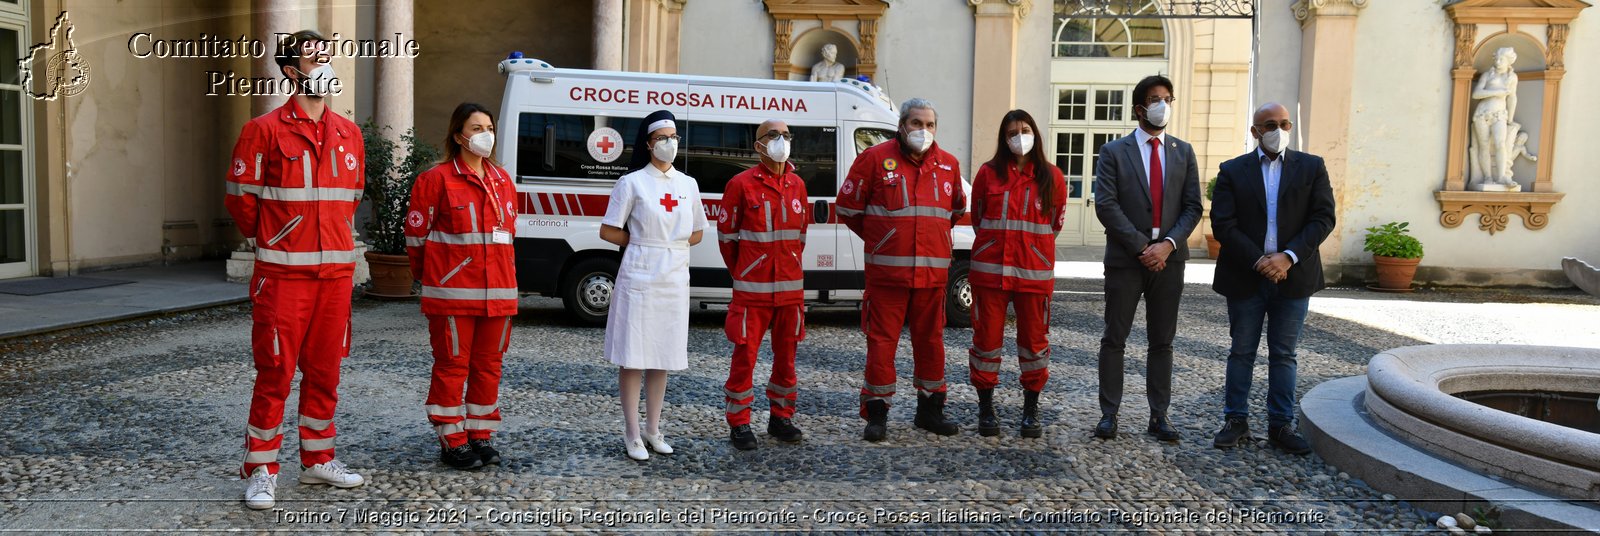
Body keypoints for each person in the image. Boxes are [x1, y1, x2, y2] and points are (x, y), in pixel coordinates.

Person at [224, 29, 366, 510]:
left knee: (325, 371)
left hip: (335, 278)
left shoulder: (349, 133)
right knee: (276, 372)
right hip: (283, 276)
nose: (324, 64)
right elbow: (242, 202)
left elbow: (352, 198)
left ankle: (317, 460)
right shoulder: (262, 130)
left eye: (327, 56)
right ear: (291, 71)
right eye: (313, 58)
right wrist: (277, 239)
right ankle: (261, 468)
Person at [835, 97, 966, 441]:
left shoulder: (949, 165)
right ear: (901, 125)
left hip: (932, 277)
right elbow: (847, 208)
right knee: (881, 344)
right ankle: (877, 414)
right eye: (916, 123)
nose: (923, 130)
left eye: (930, 125)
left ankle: (930, 411)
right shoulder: (874, 159)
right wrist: (882, 238)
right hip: (887, 276)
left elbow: (954, 212)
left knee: (932, 343)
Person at [1209, 103, 1336, 455]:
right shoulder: (1233, 170)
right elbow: (1224, 224)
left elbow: (1323, 218)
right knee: (1241, 351)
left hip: (1294, 277)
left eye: (1284, 123)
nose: (1277, 129)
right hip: (1245, 276)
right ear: (1254, 131)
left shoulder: (1312, 167)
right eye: (1269, 124)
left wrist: (1288, 257)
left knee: (1284, 354)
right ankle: (1236, 419)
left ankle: (1281, 424)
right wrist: (1258, 261)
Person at [404, 102, 519, 470]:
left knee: (489, 366)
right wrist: (436, 279)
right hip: (453, 294)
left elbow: (508, 236)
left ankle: (479, 434)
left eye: (489, 126)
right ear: (458, 136)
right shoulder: (435, 180)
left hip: (498, 295)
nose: (486, 133)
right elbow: (416, 238)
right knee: (453, 366)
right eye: (476, 127)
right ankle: (451, 439)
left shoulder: (502, 180)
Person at [1091, 74, 1203, 442]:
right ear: (1139, 108)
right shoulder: (1113, 152)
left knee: (1162, 340)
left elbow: (1192, 207)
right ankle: (1110, 414)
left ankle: (1160, 415)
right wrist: (1142, 247)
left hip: (1169, 261)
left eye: (1168, 98)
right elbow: (1106, 205)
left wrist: (1167, 245)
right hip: (1127, 260)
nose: (1163, 105)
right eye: (1156, 99)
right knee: (1114, 338)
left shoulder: (1183, 152)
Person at [600, 110, 708, 461]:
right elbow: (608, 229)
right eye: (661, 138)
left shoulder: (687, 184)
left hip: (674, 276)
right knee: (633, 356)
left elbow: (697, 231)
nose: (669, 143)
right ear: (648, 144)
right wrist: (643, 240)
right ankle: (632, 432)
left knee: (661, 354)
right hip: (640, 273)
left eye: (673, 137)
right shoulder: (631, 183)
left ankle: (653, 429)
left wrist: (669, 244)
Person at [967, 109, 1067, 438]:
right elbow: (979, 218)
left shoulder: (1052, 177)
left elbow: (1055, 224)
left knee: (1034, 345)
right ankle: (986, 408)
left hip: (1033, 276)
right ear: (1003, 138)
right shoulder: (987, 174)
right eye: (1012, 132)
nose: (1018, 136)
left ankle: (1031, 411)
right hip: (990, 274)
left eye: (1024, 130)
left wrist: (1033, 251)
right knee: (986, 343)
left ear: (1035, 133)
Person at [717, 119, 809, 451]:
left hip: (789, 292)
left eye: (786, 135)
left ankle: (780, 418)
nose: (781, 140)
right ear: (758, 145)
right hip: (752, 293)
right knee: (745, 358)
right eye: (774, 135)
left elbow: (800, 236)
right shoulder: (740, 184)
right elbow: (727, 240)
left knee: (787, 359)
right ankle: (739, 423)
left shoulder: (798, 184)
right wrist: (746, 271)